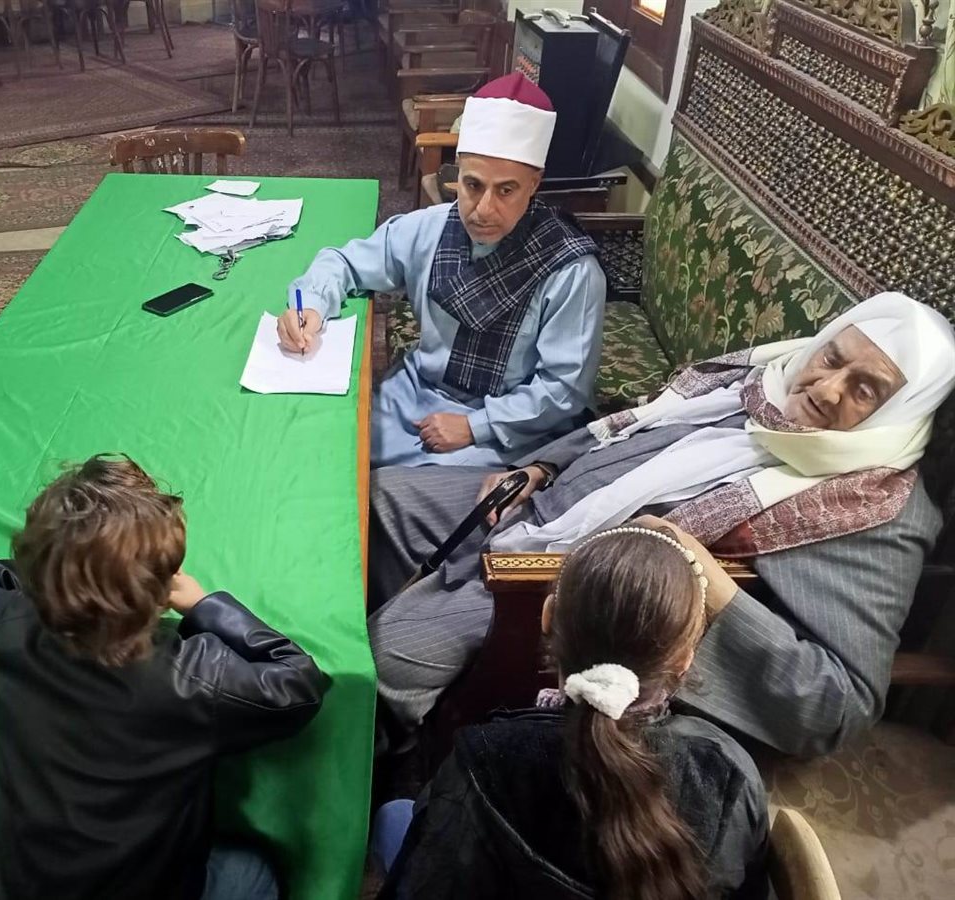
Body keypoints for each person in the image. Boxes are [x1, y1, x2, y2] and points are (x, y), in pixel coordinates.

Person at [369, 292, 955, 757]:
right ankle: (417, 666)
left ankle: (401, 755)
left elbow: (839, 706)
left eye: (864, 390)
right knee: (382, 500)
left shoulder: (871, 506)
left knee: (386, 656)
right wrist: (541, 466)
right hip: (543, 506)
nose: (826, 389)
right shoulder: (760, 381)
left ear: (899, 413)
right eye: (832, 358)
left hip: (564, 585)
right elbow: (629, 429)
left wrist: (711, 584)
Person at [0, 455, 330, 900]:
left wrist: (64, 563)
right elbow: (298, 683)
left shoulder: (1, 628)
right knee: (257, 871)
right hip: (150, 890)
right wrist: (205, 605)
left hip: (26, 888)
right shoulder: (193, 677)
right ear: (158, 590)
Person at [372, 525, 769, 899]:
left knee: (394, 815)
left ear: (547, 616)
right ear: (684, 660)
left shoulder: (482, 758)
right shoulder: (729, 770)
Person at [279, 73, 606, 468]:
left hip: (508, 426)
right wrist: (311, 306)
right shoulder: (429, 229)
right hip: (418, 391)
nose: (484, 210)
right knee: (323, 446)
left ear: (534, 183)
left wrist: (476, 425)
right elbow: (345, 262)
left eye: (506, 190)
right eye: (473, 185)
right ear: (457, 175)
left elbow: (563, 391)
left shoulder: (571, 271)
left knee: (387, 492)